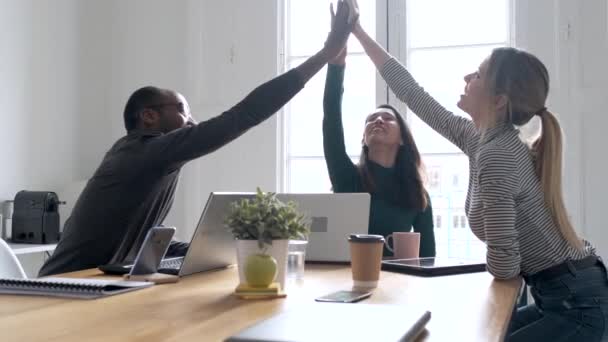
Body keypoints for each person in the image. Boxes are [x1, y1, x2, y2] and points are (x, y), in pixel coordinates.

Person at [38, 0, 357, 277]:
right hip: (60, 288)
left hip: (98, 284)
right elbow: (243, 115)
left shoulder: (152, 161)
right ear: (149, 116)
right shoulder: (143, 151)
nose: (192, 121)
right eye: (181, 111)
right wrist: (325, 54)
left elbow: (140, 244)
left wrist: (206, 253)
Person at [349, 4, 608, 340]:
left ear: (498, 100)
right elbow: (411, 93)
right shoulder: (480, 139)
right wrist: (357, 32)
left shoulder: (498, 155)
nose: (467, 79)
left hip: (577, 303)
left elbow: (505, 264)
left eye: (478, 75)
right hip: (564, 291)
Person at [322, 43, 435, 257]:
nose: (379, 120)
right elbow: (331, 122)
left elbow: (428, 258)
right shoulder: (347, 177)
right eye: (371, 119)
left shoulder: (418, 194)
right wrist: (336, 67)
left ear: (403, 139)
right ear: (364, 139)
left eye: (388, 118)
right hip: (348, 278)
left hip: (398, 284)